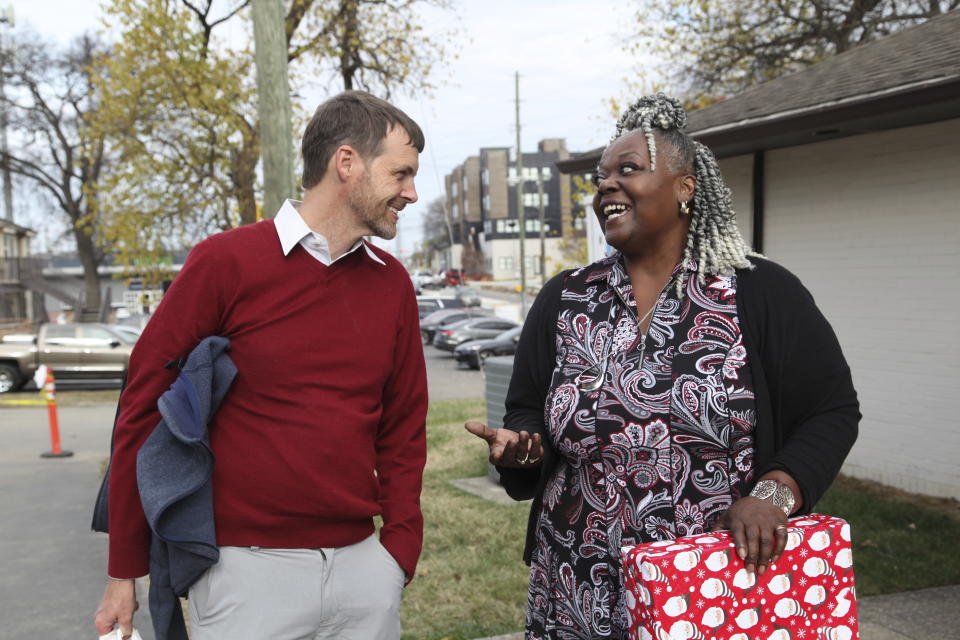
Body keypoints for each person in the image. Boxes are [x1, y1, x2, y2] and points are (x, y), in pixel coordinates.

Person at [466, 93, 859, 639]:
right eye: (601, 176)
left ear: (685, 187)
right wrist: (525, 445)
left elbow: (831, 410)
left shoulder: (760, 292)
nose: (605, 185)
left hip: (715, 587)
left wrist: (773, 493)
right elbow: (529, 406)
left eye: (628, 169)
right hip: (578, 588)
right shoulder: (566, 298)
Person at [94, 90, 428, 640]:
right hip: (243, 577)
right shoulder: (225, 262)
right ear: (347, 163)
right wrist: (124, 569)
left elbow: (403, 427)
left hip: (364, 573)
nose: (411, 193)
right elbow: (140, 411)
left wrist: (399, 550)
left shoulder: (391, 284)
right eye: (401, 174)